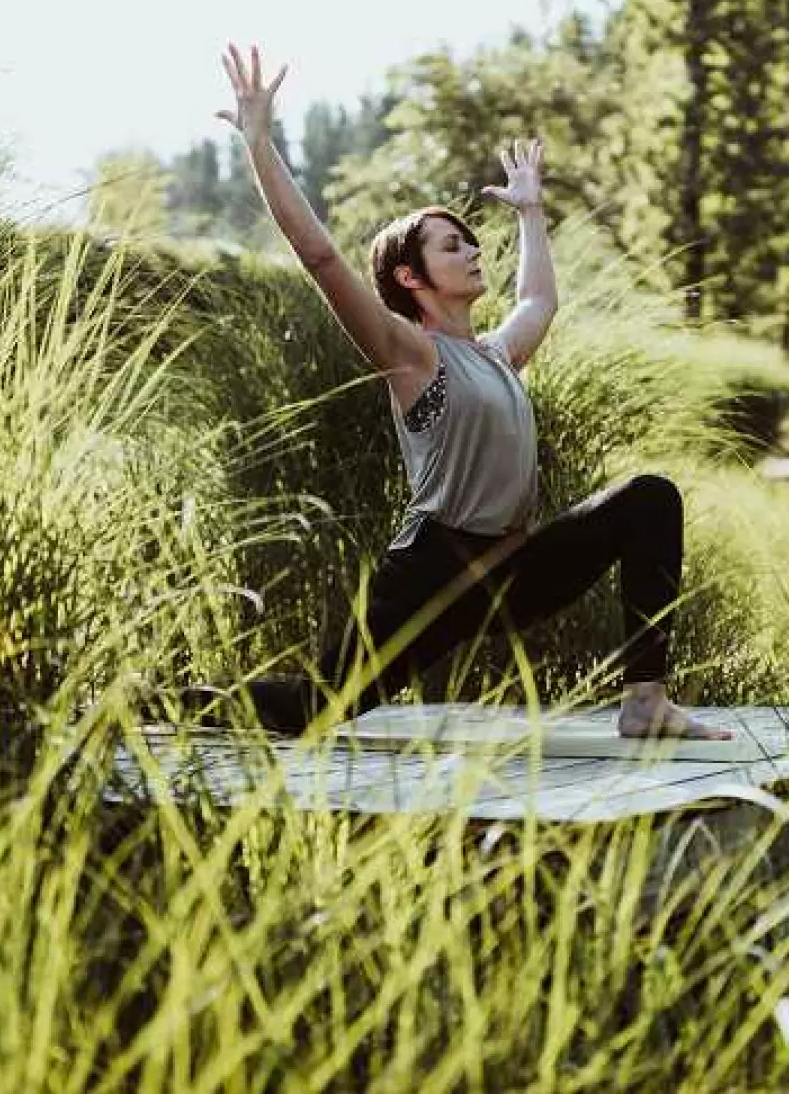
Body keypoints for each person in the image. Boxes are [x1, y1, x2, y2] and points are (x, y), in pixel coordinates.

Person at [216, 41, 732, 742]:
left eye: (470, 242)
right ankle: (167, 706)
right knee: (310, 712)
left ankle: (645, 702)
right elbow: (319, 255)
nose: (470, 251)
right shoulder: (408, 354)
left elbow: (538, 301)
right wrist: (259, 141)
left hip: (513, 573)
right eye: (450, 245)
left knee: (649, 498)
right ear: (408, 276)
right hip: (433, 575)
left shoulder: (494, 355)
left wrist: (529, 212)